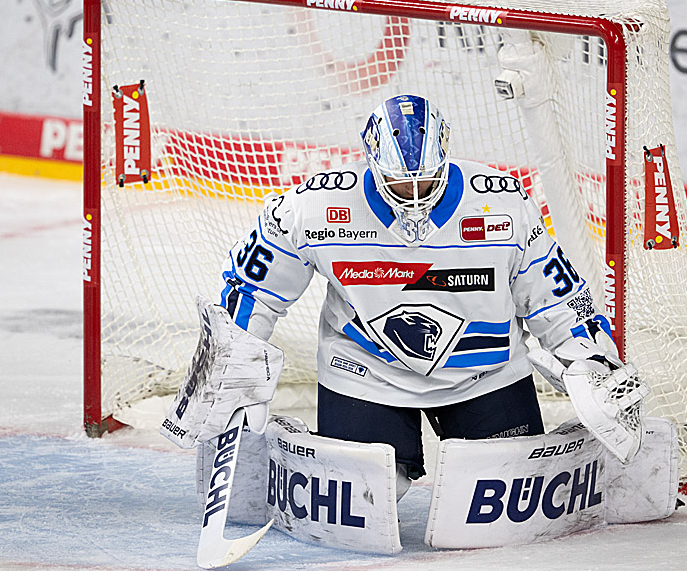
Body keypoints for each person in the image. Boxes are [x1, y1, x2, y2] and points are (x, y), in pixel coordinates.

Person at [166, 94, 644, 498]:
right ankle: (289, 448)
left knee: (509, 490)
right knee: (369, 496)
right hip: (367, 373)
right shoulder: (313, 206)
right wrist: (234, 359)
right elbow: (254, 286)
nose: (414, 196)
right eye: (399, 182)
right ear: (372, 164)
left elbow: (558, 295)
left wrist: (593, 360)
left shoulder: (503, 204)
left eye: (427, 180)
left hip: (484, 373)